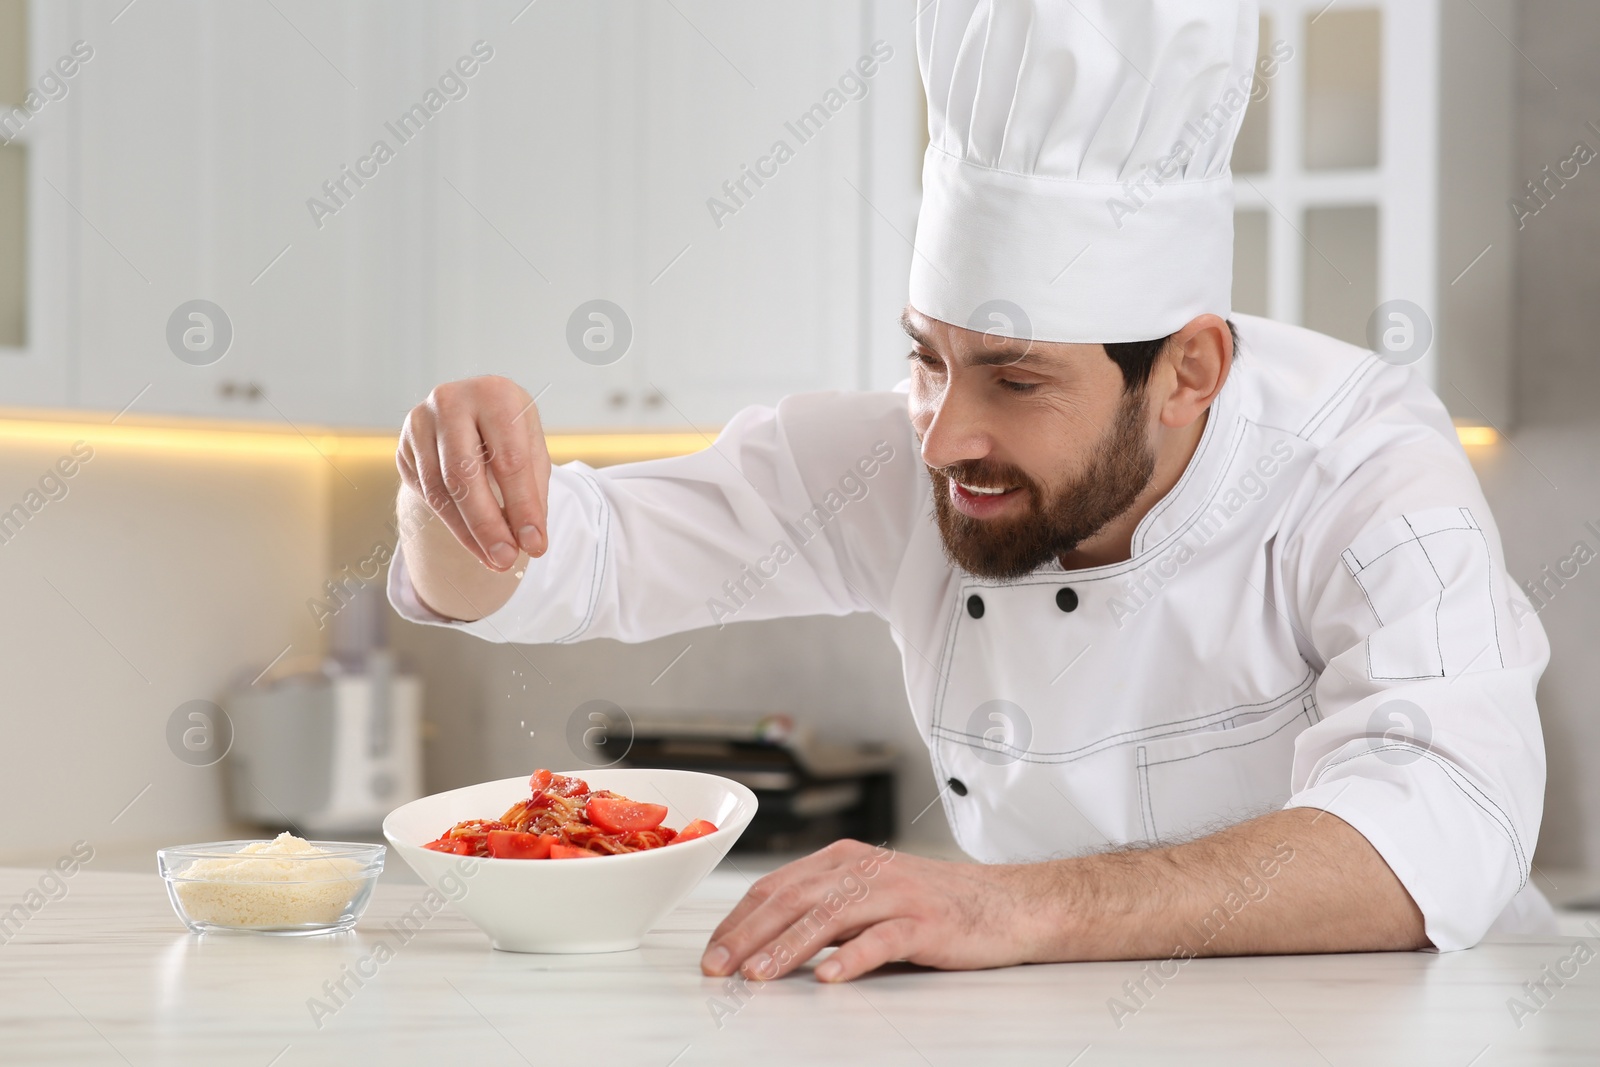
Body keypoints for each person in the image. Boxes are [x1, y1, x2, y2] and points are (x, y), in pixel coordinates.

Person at [387, 0, 1549, 983]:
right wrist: (453, 486)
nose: (946, 432)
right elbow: (553, 567)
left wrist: (1009, 907)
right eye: (926, 356)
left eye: (1017, 376)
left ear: (1187, 372)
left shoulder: (1360, 467)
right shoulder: (908, 457)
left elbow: (1439, 826)